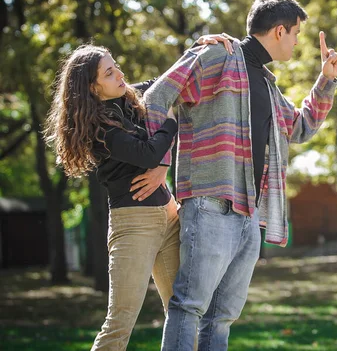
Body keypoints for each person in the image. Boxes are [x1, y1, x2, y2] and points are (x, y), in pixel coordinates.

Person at [142, 0, 337, 351]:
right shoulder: (216, 54)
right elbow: (157, 97)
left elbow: (298, 127)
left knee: (221, 318)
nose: (297, 43)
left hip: (248, 213)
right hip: (209, 204)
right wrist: (158, 161)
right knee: (189, 306)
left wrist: (325, 81)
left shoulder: (266, 82)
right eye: (296, 34)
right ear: (280, 31)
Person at [43, 38, 228, 350]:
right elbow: (146, 154)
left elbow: (165, 84)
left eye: (116, 67)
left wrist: (196, 48)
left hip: (169, 215)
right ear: (91, 88)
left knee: (183, 314)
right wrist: (169, 124)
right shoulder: (98, 128)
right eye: (109, 73)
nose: (119, 75)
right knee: (120, 321)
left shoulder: (129, 99)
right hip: (133, 224)